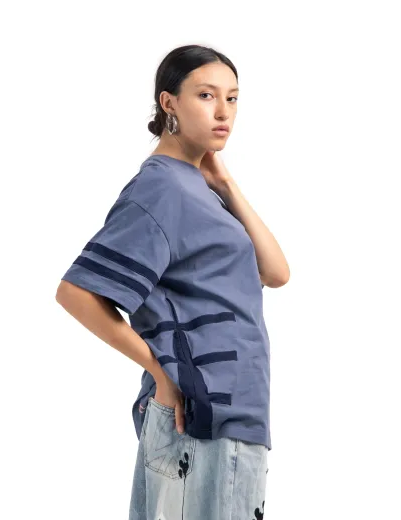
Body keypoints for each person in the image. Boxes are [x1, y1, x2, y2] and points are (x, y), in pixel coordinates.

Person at [56, 44, 290, 520]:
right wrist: (161, 371)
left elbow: (275, 272)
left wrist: (225, 184)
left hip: (232, 413)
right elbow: (76, 293)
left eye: (232, 98)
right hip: (200, 414)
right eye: (206, 95)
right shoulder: (161, 187)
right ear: (169, 103)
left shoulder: (197, 187)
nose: (223, 111)